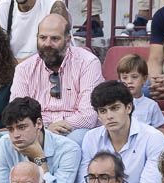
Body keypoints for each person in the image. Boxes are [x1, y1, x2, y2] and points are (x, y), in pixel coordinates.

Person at [7, 15, 101, 144]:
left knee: (75, 140)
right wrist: (45, 128)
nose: (47, 44)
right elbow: (17, 113)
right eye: (43, 38)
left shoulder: (88, 63)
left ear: (68, 40)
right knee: (4, 141)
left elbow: (89, 116)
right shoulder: (24, 69)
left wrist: (55, 127)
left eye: (55, 38)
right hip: (37, 130)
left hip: (74, 130)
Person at [76, 81, 164, 183]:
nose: (109, 116)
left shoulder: (153, 137)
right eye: (103, 111)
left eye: (115, 108)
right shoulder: (91, 138)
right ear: (98, 116)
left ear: (128, 108)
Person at [0, 97, 81, 183]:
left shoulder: (69, 149)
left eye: (21, 127)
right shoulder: (4, 144)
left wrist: (39, 159)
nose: (16, 135)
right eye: (11, 129)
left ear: (38, 124)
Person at [0, 0, 68, 62]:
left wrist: (19, 65)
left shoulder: (53, 5)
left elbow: (55, 53)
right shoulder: (1, 8)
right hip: (13, 70)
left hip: (49, 69)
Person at [116, 54, 164, 130]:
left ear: (144, 79)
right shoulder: (115, 104)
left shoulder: (152, 105)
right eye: (125, 78)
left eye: (134, 77)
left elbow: (158, 131)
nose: (129, 81)